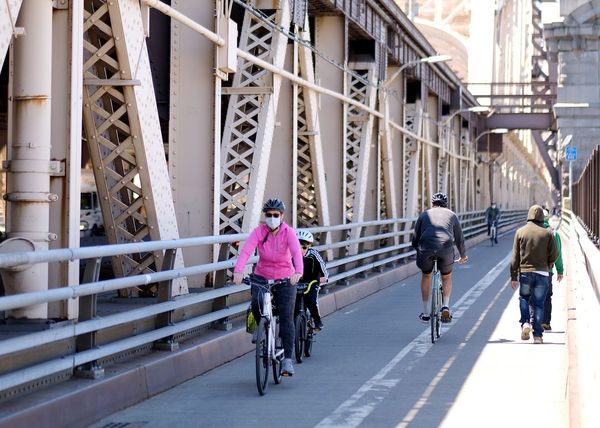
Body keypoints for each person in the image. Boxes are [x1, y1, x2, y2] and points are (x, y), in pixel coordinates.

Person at [233, 198, 303, 376]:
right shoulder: (259, 231)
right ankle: (259, 324)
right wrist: (238, 271)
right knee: (256, 303)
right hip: (262, 276)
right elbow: (246, 251)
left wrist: (298, 272)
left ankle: (287, 360)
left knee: (287, 317)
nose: (272, 218)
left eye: (275, 215)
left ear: (282, 216)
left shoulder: (289, 233)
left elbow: (296, 252)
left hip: (285, 278)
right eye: (268, 215)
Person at [411, 192, 469, 324]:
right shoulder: (452, 215)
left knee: (426, 276)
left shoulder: (424, 215)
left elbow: (415, 239)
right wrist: (463, 255)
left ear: (432, 204)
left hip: (426, 247)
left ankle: (426, 313)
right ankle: (445, 306)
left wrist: (418, 251)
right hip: (445, 248)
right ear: (446, 204)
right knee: (446, 276)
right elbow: (459, 239)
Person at [510, 204, 558, 344]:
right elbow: (554, 254)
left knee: (524, 298)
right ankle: (537, 336)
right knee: (538, 304)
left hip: (525, 272)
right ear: (542, 217)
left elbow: (515, 257)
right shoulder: (548, 232)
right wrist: (548, 264)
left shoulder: (520, 232)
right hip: (543, 273)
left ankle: (525, 323)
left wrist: (514, 276)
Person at [295, 230, 328, 331]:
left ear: (309, 246)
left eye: (304, 246)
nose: (301, 249)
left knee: (312, 300)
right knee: (293, 304)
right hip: (296, 281)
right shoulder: (290, 255)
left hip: (312, 281)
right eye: (297, 245)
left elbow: (323, 267)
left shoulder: (313, 254)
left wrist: (325, 277)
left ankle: (317, 320)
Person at [540, 209, 564, 331]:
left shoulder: (532, 232)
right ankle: (546, 323)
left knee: (534, 296)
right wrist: (560, 270)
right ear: (548, 218)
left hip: (533, 269)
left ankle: (535, 322)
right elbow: (558, 254)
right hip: (548, 270)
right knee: (547, 296)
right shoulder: (554, 233)